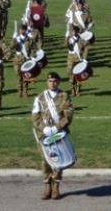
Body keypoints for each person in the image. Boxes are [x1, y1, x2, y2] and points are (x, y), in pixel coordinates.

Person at [32, 71, 74, 200]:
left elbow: (69, 115)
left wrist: (57, 127)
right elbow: (35, 117)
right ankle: (47, 186)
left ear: (59, 82)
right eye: (50, 81)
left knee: (58, 160)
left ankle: (55, 186)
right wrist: (44, 129)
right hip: (43, 134)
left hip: (59, 133)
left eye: (55, 81)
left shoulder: (64, 96)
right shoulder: (40, 98)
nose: (52, 83)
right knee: (46, 161)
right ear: (47, 82)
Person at [13, 23, 40, 98]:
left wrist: (32, 56)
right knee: (18, 76)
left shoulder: (29, 39)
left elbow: (34, 49)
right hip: (17, 59)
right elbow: (11, 47)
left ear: (25, 30)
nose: (22, 31)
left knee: (26, 76)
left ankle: (25, 91)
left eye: (23, 29)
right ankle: (19, 91)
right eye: (20, 29)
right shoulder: (17, 39)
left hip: (26, 60)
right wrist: (14, 40)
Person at [66, 26, 88, 97]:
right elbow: (65, 45)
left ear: (78, 31)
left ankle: (78, 90)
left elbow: (86, 48)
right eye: (72, 31)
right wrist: (67, 39)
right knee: (70, 73)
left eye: (75, 31)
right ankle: (73, 90)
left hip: (79, 58)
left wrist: (84, 58)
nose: (74, 32)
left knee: (78, 75)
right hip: (71, 58)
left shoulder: (81, 39)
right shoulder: (69, 38)